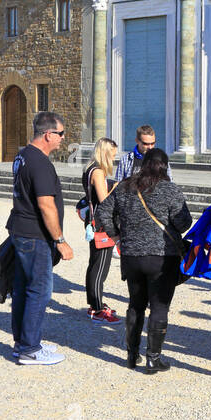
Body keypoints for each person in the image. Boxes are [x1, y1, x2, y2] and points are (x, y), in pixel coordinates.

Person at [94, 148, 191, 374]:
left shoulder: (126, 187)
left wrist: (116, 235)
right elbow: (184, 223)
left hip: (132, 257)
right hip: (162, 257)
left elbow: (102, 213)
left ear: (143, 164)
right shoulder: (170, 189)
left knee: (135, 304)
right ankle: (153, 359)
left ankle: (131, 354)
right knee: (159, 306)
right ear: (165, 167)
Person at [6, 112, 74, 365]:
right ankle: (30, 349)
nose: (63, 139)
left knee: (23, 289)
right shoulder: (40, 163)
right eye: (61, 134)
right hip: (35, 235)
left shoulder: (23, 155)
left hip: (21, 230)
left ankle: (23, 342)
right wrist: (60, 240)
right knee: (40, 291)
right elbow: (46, 205)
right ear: (48, 134)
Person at [83, 138, 121, 325]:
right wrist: (116, 187)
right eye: (112, 154)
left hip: (94, 221)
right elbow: (104, 200)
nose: (114, 158)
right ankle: (97, 308)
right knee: (100, 268)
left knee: (95, 264)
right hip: (101, 223)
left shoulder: (90, 168)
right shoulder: (97, 171)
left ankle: (95, 303)